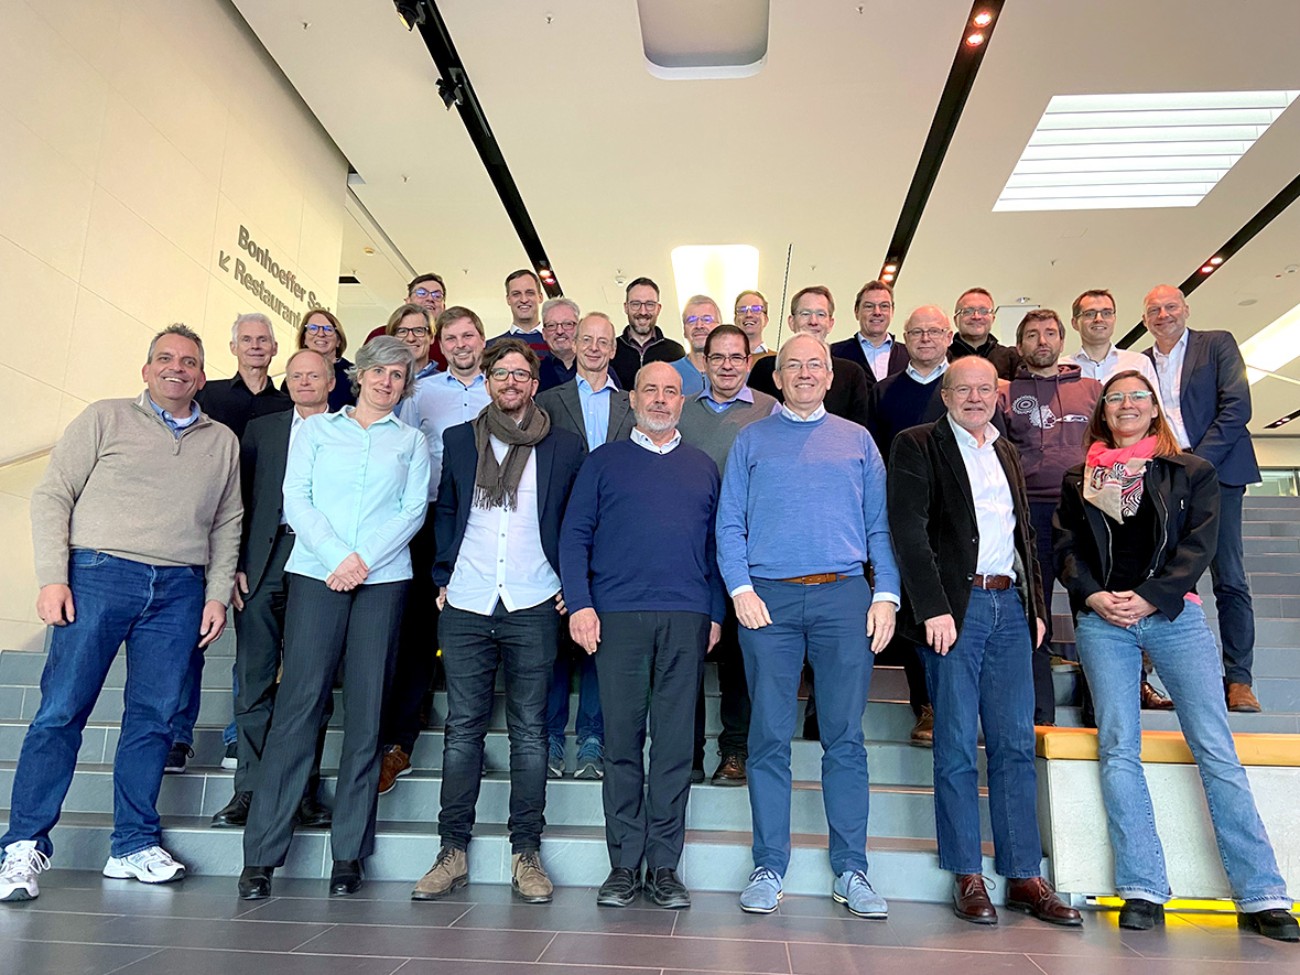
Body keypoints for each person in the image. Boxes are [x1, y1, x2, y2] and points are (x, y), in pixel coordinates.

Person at [1054, 370, 1298, 942]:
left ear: (1154, 407)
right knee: (1119, 747)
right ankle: (1142, 887)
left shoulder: (1191, 471)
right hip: (1104, 621)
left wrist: (1151, 596)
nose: (1127, 405)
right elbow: (1067, 548)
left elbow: (1199, 546)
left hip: (1174, 616)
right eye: (1115, 398)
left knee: (1214, 747)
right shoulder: (1080, 477)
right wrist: (1092, 596)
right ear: (1103, 412)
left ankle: (1262, 893)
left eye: (1137, 396)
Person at [0, 325, 240, 902]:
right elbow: (53, 493)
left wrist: (215, 593)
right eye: (165, 358)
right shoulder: (104, 417)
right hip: (98, 574)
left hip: (180, 589)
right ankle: (22, 846)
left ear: (202, 376)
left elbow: (227, 522)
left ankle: (132, 845)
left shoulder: (222, 441)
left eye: (189, 361)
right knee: (61, 711)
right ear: (146, 369)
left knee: (154, 720)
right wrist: (53, 577)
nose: (177, 367)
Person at [887, 356, 1079, 927]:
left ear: (998, 395)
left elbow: (1025, 536)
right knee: (953, 743)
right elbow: (908, 532)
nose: (974, 397)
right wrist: (933, 607)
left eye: (984, 388)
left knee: (1015, 744)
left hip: (1010, 607)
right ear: (945, 395)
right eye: (962, 389)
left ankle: (1023, 875)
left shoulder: (1007, 451)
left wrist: (1037, 608)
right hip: (956, 610)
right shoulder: (916, 444)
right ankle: (967, 872)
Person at [238, 336, 430, 901]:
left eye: (398, 375)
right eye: (379, 372)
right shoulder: (318, 431)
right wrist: (337, 558)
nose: (387, 382)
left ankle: (348, 852)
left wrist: (363, 560)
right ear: (359, 375)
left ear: (405, 385)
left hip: (383, 581)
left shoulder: (412, 441)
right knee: (298, 707)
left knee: (367, 715)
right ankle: (261, 856)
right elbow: (296, 498)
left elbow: (412, 511)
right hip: (316, 574)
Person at [717, 333, 897, 919]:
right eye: (791, 365)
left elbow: (879, 526)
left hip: (843, 597)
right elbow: (729, 524)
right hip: (767, 601)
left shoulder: (858, 440)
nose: (803, 373)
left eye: (814, 365)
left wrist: (886, 594)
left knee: (844, 737)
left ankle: (852, 869)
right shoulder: (751, 440)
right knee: (768, 737)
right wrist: (740, 589)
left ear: (829, 375)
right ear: (776, 378)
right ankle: (769, 865)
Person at [411, 339, 585, 905]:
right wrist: (442, 574)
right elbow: (447, 510)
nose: (510, 381)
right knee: (462, 731)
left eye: (520, 374)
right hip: (467, 600)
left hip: (534, 600)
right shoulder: (461, 438)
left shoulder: (564, 445)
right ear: (487, 381)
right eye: (501, 373)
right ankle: (451, 851)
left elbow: (576, 521)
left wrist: (570, 584)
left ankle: (525, 852)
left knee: (531, 733)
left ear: (534, 384)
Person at [561, 361, 724, 910]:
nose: (659, 399)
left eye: (670, 392)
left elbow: (715, 547)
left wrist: (715, 613)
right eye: (649, 390)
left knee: (675, 747)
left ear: (682, 402)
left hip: (686, 617)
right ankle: (624, 865)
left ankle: (665, 867)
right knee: (622, 744)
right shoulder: (602, 462)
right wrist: (581, 604)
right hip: (617, 617)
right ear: (631, 399)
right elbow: (574, 537)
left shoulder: (702, 467)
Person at [208, 349, 337, 831]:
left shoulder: (348, 430)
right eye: (296, 375)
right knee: (254, 676)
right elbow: (237, 501)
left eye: (313, 375)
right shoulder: (262, 430)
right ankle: (250, 787)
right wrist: (235, 565)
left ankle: (302, 790)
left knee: (310, 682)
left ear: (331, 381)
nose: (304, 382)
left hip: (321, 561)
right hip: (263, 561)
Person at [169, 312, 291, 776]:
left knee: (254, 646)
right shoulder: (209, 395)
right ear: (233, 347)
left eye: (263, 340)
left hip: (260, 536)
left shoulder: (288, 404)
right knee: (188, 638)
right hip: (203, 529)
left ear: (274, 348)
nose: (256, 346)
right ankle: (177, 735)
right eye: (247, 339)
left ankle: (240, 735)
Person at [378, 306, 491, 792]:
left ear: (482, 339)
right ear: (439, 344)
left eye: (468, 335)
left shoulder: (500, 387)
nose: (461, 344)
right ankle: (398, 743)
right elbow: (400, 453)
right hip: (428, 519)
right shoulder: (419, 392)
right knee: (419, 630)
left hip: (489, 522)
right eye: (452, 338)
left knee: (480, 628)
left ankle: (474, 739)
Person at [1143, 285, 1262, 713]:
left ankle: (1239, 680)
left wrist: (1197, 462)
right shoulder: (1140, 362)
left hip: (1219, 472)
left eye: (1170, 306)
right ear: (1145, 320)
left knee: (1229, 577)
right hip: (1163, 477)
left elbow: (1237, 407)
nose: (1163, 315)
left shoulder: (1217, 344)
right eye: (1154, 310)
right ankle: (1178, 679)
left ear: (1186, 309)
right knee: (1169, 577)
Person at [536, 311, 635, 779]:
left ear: (614, 349)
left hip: (616, 536)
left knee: (603, 635)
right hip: (558, 531)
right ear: (573, 345)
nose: (594, 348)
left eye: (603, 341)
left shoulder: (632, 404)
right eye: (586, 339)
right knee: (557, 637)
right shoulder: (547, 401)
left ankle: (593, 736)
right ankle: (552, 736)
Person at [678, 324, 777, 786]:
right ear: (703, 361)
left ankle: (735, 749)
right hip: (690, 550)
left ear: (749, 361)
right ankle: (688, 754)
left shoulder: (770, 410)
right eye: (717, 357)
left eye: (737, 357)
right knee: (688, 653)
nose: (727, 366)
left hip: (748, 551)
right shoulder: (682, 410)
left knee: (741, 653)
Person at [996, 309, 1103, 725]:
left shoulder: (1092, 390)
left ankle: (1100, 711)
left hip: (1084, 512)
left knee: (1092, 613)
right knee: (1034, 615)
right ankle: (1040, 716)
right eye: (1032, 335)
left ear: (1062, 340)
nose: (1042, 341)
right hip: (1029, 515)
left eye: (1049, 333)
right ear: (1019, 345)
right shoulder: (1005, 393)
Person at [865, 305, 956, 746]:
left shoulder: (964, 386)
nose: (925, 338)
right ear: (904, 338)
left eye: (934, 331)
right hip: (903, 514)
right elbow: (872, 457)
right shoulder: (884, 392)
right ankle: (927, 705)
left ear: (949, 336)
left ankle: (955, 702)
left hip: (957, 517)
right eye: (917, 332)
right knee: (917, 611)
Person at [747, 286, 871, 427]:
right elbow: (752, 419)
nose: (813, 321)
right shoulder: (765, 370)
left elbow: (856, 430)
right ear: (791, 322)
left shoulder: (852, 374)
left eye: (821, 314)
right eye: (805, 313)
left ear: (830, 323)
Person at [1068, 289, 1158, 388]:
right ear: (1074, 323)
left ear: (1114, 319)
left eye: (1106, 313)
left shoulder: (1140, 363)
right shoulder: (1062, 368)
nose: (1099, 319)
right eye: (1090, 314)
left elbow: (1153, 398)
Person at [611, 277, 686, 389]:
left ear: (658, 308)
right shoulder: (611, 351)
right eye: (636, 304)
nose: (643, 311)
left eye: (650, 304)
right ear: (626, 307)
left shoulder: (675, 352)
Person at [831, 280, 909, 386]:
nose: (877, 312)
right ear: (856, 311)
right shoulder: (835, 354)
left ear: (892, 311)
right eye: (869, 306)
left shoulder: (909, 355)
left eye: (884, 306)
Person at [948, 288, 1019, 380]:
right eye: (968, 311)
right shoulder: (942, 358)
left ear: (993, 319)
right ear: (955, 320)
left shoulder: (1012, 358)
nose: (976, 317)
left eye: (984, 311)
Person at [293, 307, 355, 412]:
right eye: (313, 328)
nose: (321, 334)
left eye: (328, 329)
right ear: (304, 339)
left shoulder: (353, 375)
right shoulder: (294, 375)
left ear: (338, 341)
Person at [488, 269, 549, 357]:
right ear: (508, 299)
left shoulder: (558, 345)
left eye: (530, 293)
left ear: (540, 297)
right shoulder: (491, 348)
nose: (524, 300)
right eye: (516, 294)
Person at [671, 295, 723, 397]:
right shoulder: (669, 373)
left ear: (720, 328)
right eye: (691, 320)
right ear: (684, 330)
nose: (699, 326)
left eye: (707, 319)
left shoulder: (735, 372)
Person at [387, 302, 438, 390]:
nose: (411, 339)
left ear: (431, 337)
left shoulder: (447, 386)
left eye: (419, 331)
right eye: (402, 331)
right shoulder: (381, 382)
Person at [407, 272, 449, 371]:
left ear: (444, 307)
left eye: (437, 296)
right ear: (408, 301)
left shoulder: (451, 341)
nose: (430, 298)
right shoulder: (382, 334)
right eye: (421, 293)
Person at [537, 297, 581, 391]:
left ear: (579, 329)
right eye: (551, 325)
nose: (559, 331)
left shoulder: (597, 367)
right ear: (544, 334)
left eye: (567, 324)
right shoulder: (534, 372)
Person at [733, 290, 773, 357]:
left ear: (766, 319)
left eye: (756, 309)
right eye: (742, 310)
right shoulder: (725, 358)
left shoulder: (778, 359)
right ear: (735, 320)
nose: (749, 314)